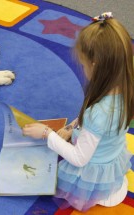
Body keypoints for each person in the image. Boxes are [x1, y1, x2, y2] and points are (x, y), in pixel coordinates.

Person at [22, 12, 134, 212]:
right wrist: (71, 128)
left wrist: (46, 134)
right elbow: (98, 125)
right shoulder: (126, 88)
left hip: (93, 175)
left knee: (45, 177)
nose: (82, 69)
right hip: (111, 155)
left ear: (95, 66)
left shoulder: (99, 113)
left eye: (82, 64)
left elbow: (79, 158)